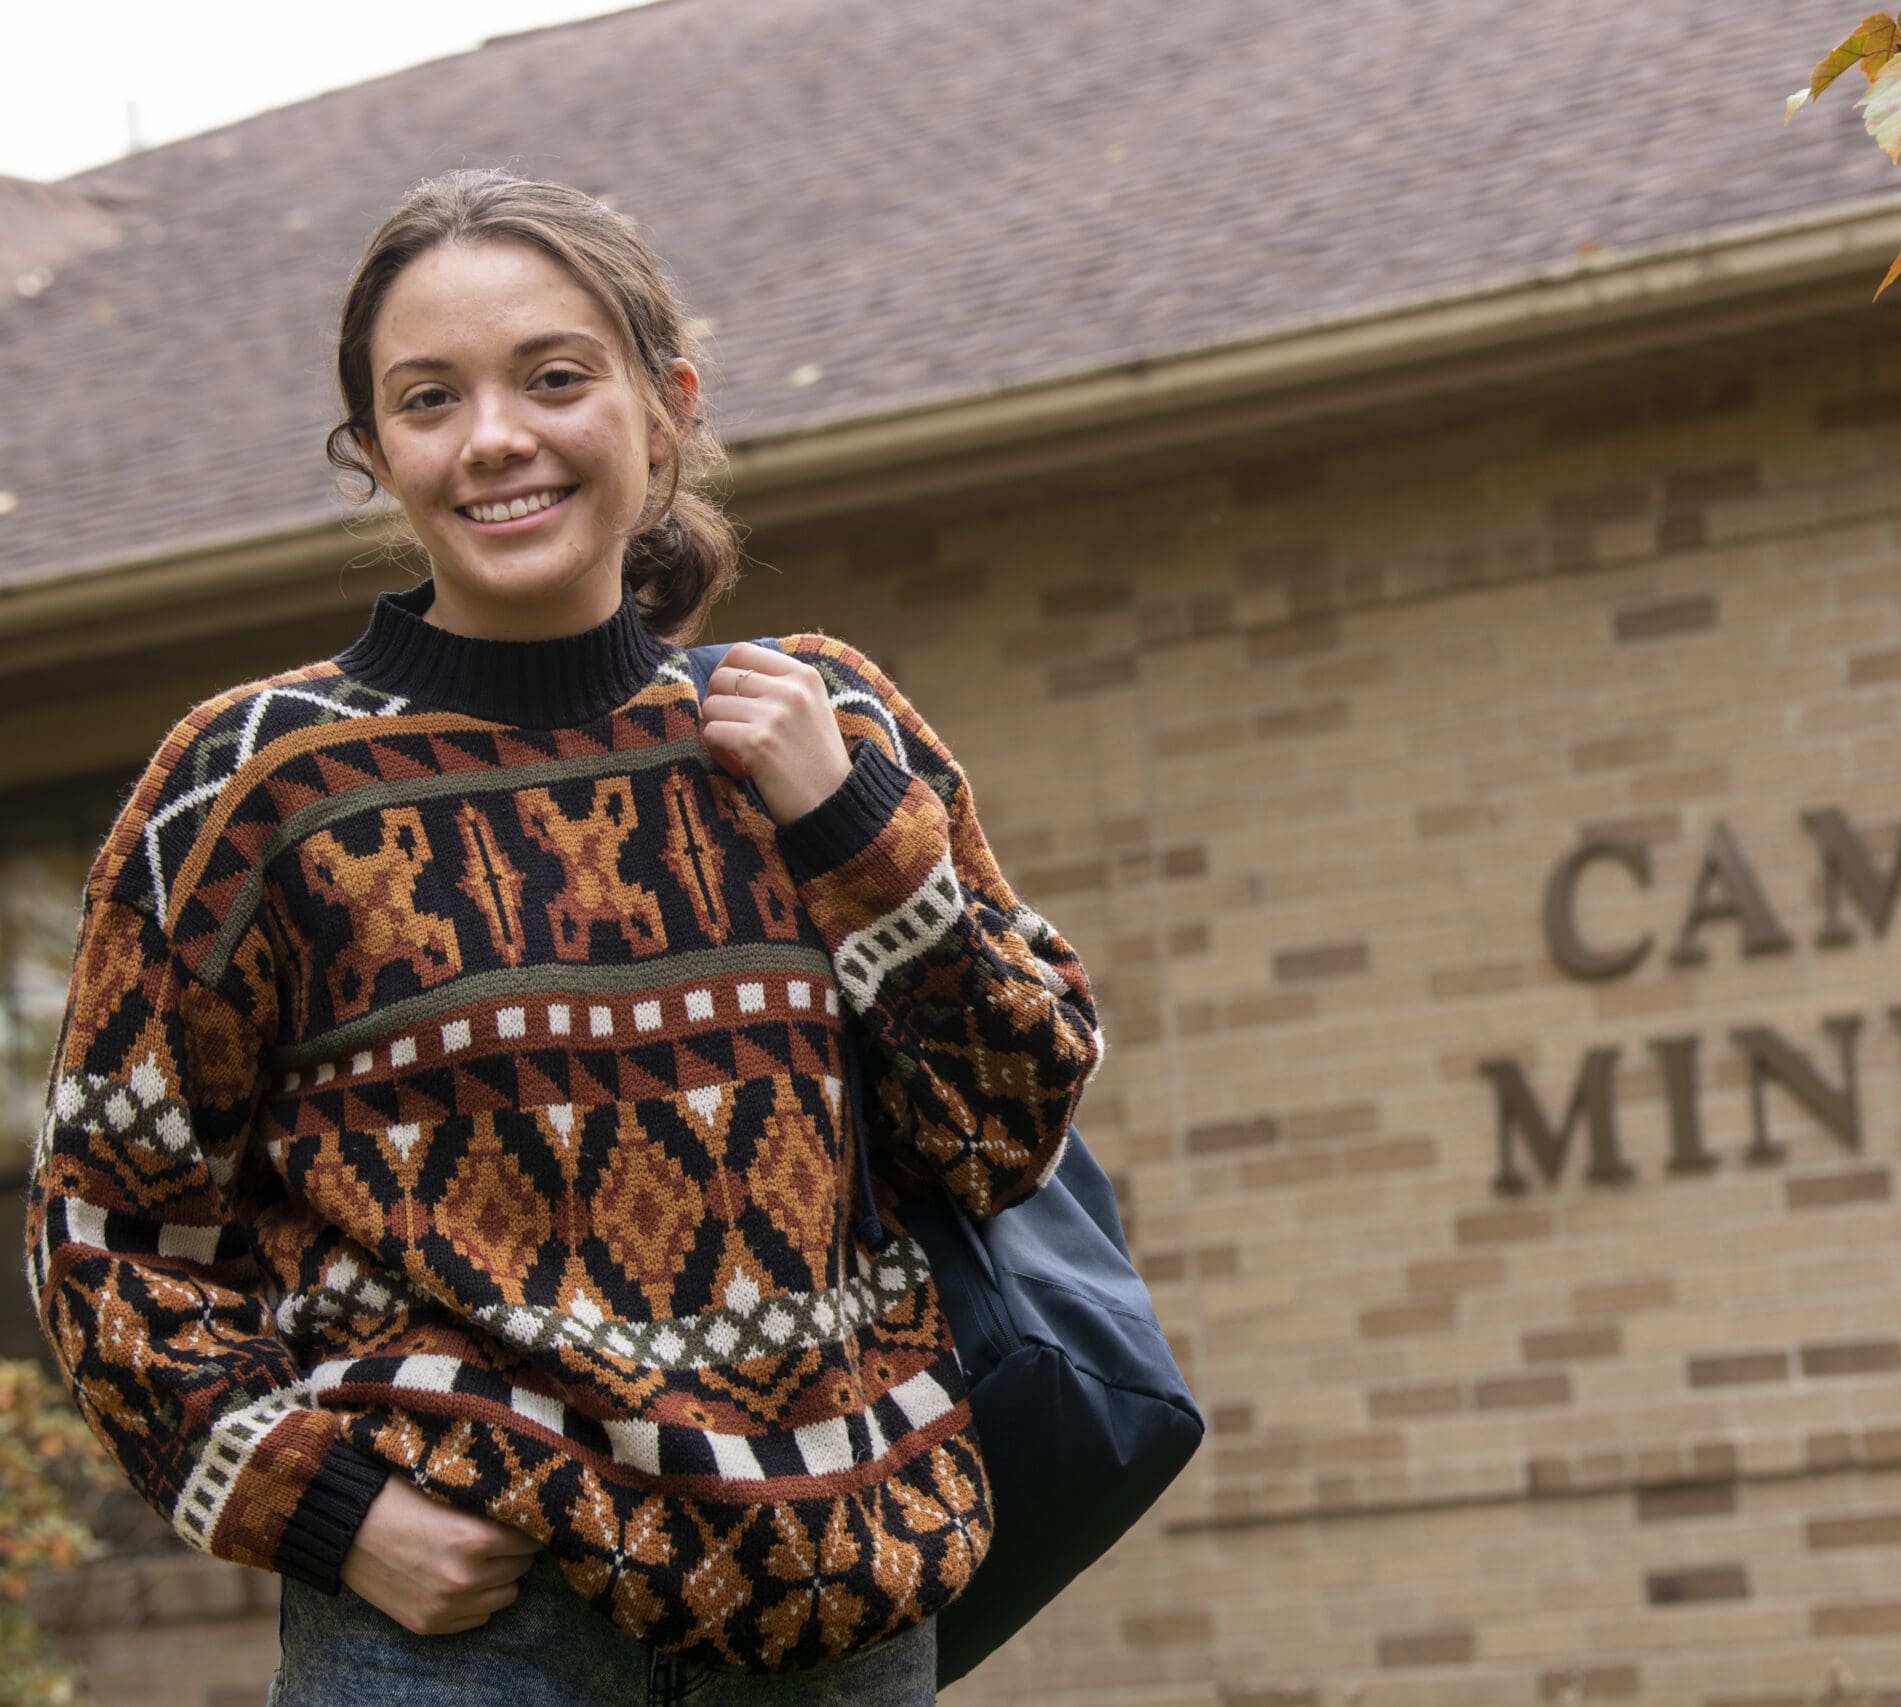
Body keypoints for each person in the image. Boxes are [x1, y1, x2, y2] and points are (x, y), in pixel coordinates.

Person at [20, 168, 1104, 1705]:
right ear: (375, 454)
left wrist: (849, 824)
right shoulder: (256, 786)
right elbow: (106, 1227)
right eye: (428, 398)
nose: (495, 439)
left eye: (552, 377)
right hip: (460, 1641)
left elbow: (1009, 1132)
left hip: (835, 1622)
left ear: (665, 406)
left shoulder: (821, 722)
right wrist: (325, 1507)